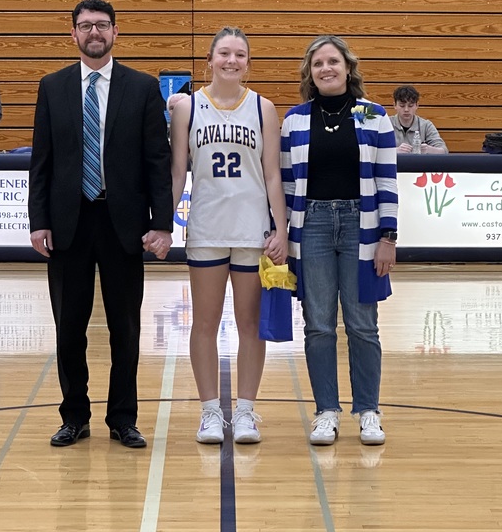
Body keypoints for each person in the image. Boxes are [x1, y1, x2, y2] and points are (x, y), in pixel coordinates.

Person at [28, 0, 173, 449]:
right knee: (69, 327)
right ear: (72, 34)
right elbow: (42, 162)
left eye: (103, 25)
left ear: (115, 33)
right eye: (86, 25)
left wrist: (163, 223)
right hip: (69, 224)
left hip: (123, 224)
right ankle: (74, 416)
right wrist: (39, 220)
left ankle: (122, 418)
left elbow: (157, 161)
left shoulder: (143, 87)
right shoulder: (52, 87)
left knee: (125, 328)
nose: (95, 32)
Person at [170, 27, 287, 446]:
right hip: (205, 228)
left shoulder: (263, 109)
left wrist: (282, 229)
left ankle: (245, 412)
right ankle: (208, 412)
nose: (231, 60)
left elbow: (273, 174)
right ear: (210, 59)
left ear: (248, 63)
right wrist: (164, 222)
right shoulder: (187, 108)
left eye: (240, 54)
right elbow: (178, 172)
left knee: (250, 324)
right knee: (204, 323)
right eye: (224, 53)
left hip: (252, 231)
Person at [281, 35, 397, 447]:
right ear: (309, 74)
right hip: (310, 225)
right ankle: (326, 412)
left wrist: (388, 236)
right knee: (318, 325)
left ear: (348, 68)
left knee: (363, 324)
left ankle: (368, 411)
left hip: (360, 227)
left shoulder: (375, 116)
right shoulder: (294, 120)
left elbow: (386, 181)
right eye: (318, 64)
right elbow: (284, 185)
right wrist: (280, 236)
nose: (326, 69)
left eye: (333, 61)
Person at [390, 84, 447, 153]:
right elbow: (375, 151)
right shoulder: (387, 124)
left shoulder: (426, 125)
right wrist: (393, 151)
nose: (406, 109)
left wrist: (429, 149)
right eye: (402, 106)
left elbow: (444, 151)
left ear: (417, 105)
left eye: (410, 106)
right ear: (395, 105)